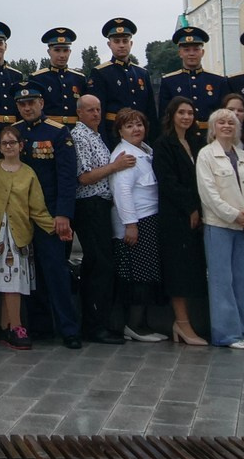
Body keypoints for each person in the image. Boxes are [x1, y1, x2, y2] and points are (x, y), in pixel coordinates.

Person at [9, 86, 82, 348]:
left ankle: (69, 329)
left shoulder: (58, 132)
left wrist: (64, 214)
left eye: (31, 103)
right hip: (20, 214)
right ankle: (40, 327)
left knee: (56, 272)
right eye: (22, 104)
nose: (27, 108)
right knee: (29, 272)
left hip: (50, 214)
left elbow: (66, 177)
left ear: (41, 102)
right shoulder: (14, 133)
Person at [194, 108, 244, 349]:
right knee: (221, 281)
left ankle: (241, 330)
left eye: (231, 122)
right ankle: (226, 334)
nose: (227, 126)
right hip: (220, 225)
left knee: (242, 280)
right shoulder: (206, 155)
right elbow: (209, 194)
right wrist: (234, 215)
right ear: (213, 128)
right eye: (221, 122)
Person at [69, 94, 136, 343]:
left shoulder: (97, 135)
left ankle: (97, 321)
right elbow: (84, 177)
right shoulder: (79, 136)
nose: (96, 114)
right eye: (90, 110)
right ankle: (94, 326)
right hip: (90, 204)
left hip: (102, 204)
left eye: (98, 109)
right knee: (100, 265)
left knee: (97, 264)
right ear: (79, 113)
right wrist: (114, 167)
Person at [0, 125, 55, 350]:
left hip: (19, 232)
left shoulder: (28, 173)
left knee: (14, 281)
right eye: (4, 143)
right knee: (7, 282)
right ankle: (14, 325)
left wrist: (54, 227)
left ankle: (8, 325)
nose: (8, 147)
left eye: (12, 143)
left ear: (21, 145)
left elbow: (37, 207)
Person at [151, 97, 209, 345]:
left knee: (193, 267)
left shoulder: (197, 142)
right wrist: (190, 208)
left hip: (197, 211)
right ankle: (181, 323)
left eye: (190, 113)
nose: (186, 117)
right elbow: (168, 182)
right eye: (181, 112)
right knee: (178, 269)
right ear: (172, 115)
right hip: (175, 216)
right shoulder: (164, 144)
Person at [107, 108, 167, 341]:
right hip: (136, 223)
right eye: (129, 126)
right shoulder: (125, 155)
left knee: (147, 274)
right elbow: (122, 192)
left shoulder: (145, 151)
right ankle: (133, 325)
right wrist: (131, 225)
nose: (136, 129)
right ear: (120, 130)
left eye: (139, 124)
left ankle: (141, 322)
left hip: (149, 219)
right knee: (137, 277)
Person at [89, 19, 150, 141]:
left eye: (125, 41)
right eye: (116, 41)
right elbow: (99, 112)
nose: (121, 45)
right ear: (109, 44)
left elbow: (150, 110)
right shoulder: (100, 73)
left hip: (140, 135)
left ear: (131, 43)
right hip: (114, 134)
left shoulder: (142, 73)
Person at [156, 26, 230, 127]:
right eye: (186, 50)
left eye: (196, 50)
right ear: (180, 53)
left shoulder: (218, 81)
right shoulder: (169, 81)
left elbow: (224, 113)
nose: (191, 54)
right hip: (180, 137)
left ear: (202, 52)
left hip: (209, 135)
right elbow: (164, 116)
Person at [34, 28, 89, 126]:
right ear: (49, 51)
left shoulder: (79, 78)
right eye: (57, 50)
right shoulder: (38, 78)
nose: (62, 55)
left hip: (75, 129)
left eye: (65, 50)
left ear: (70, 52)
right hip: (49, 129)